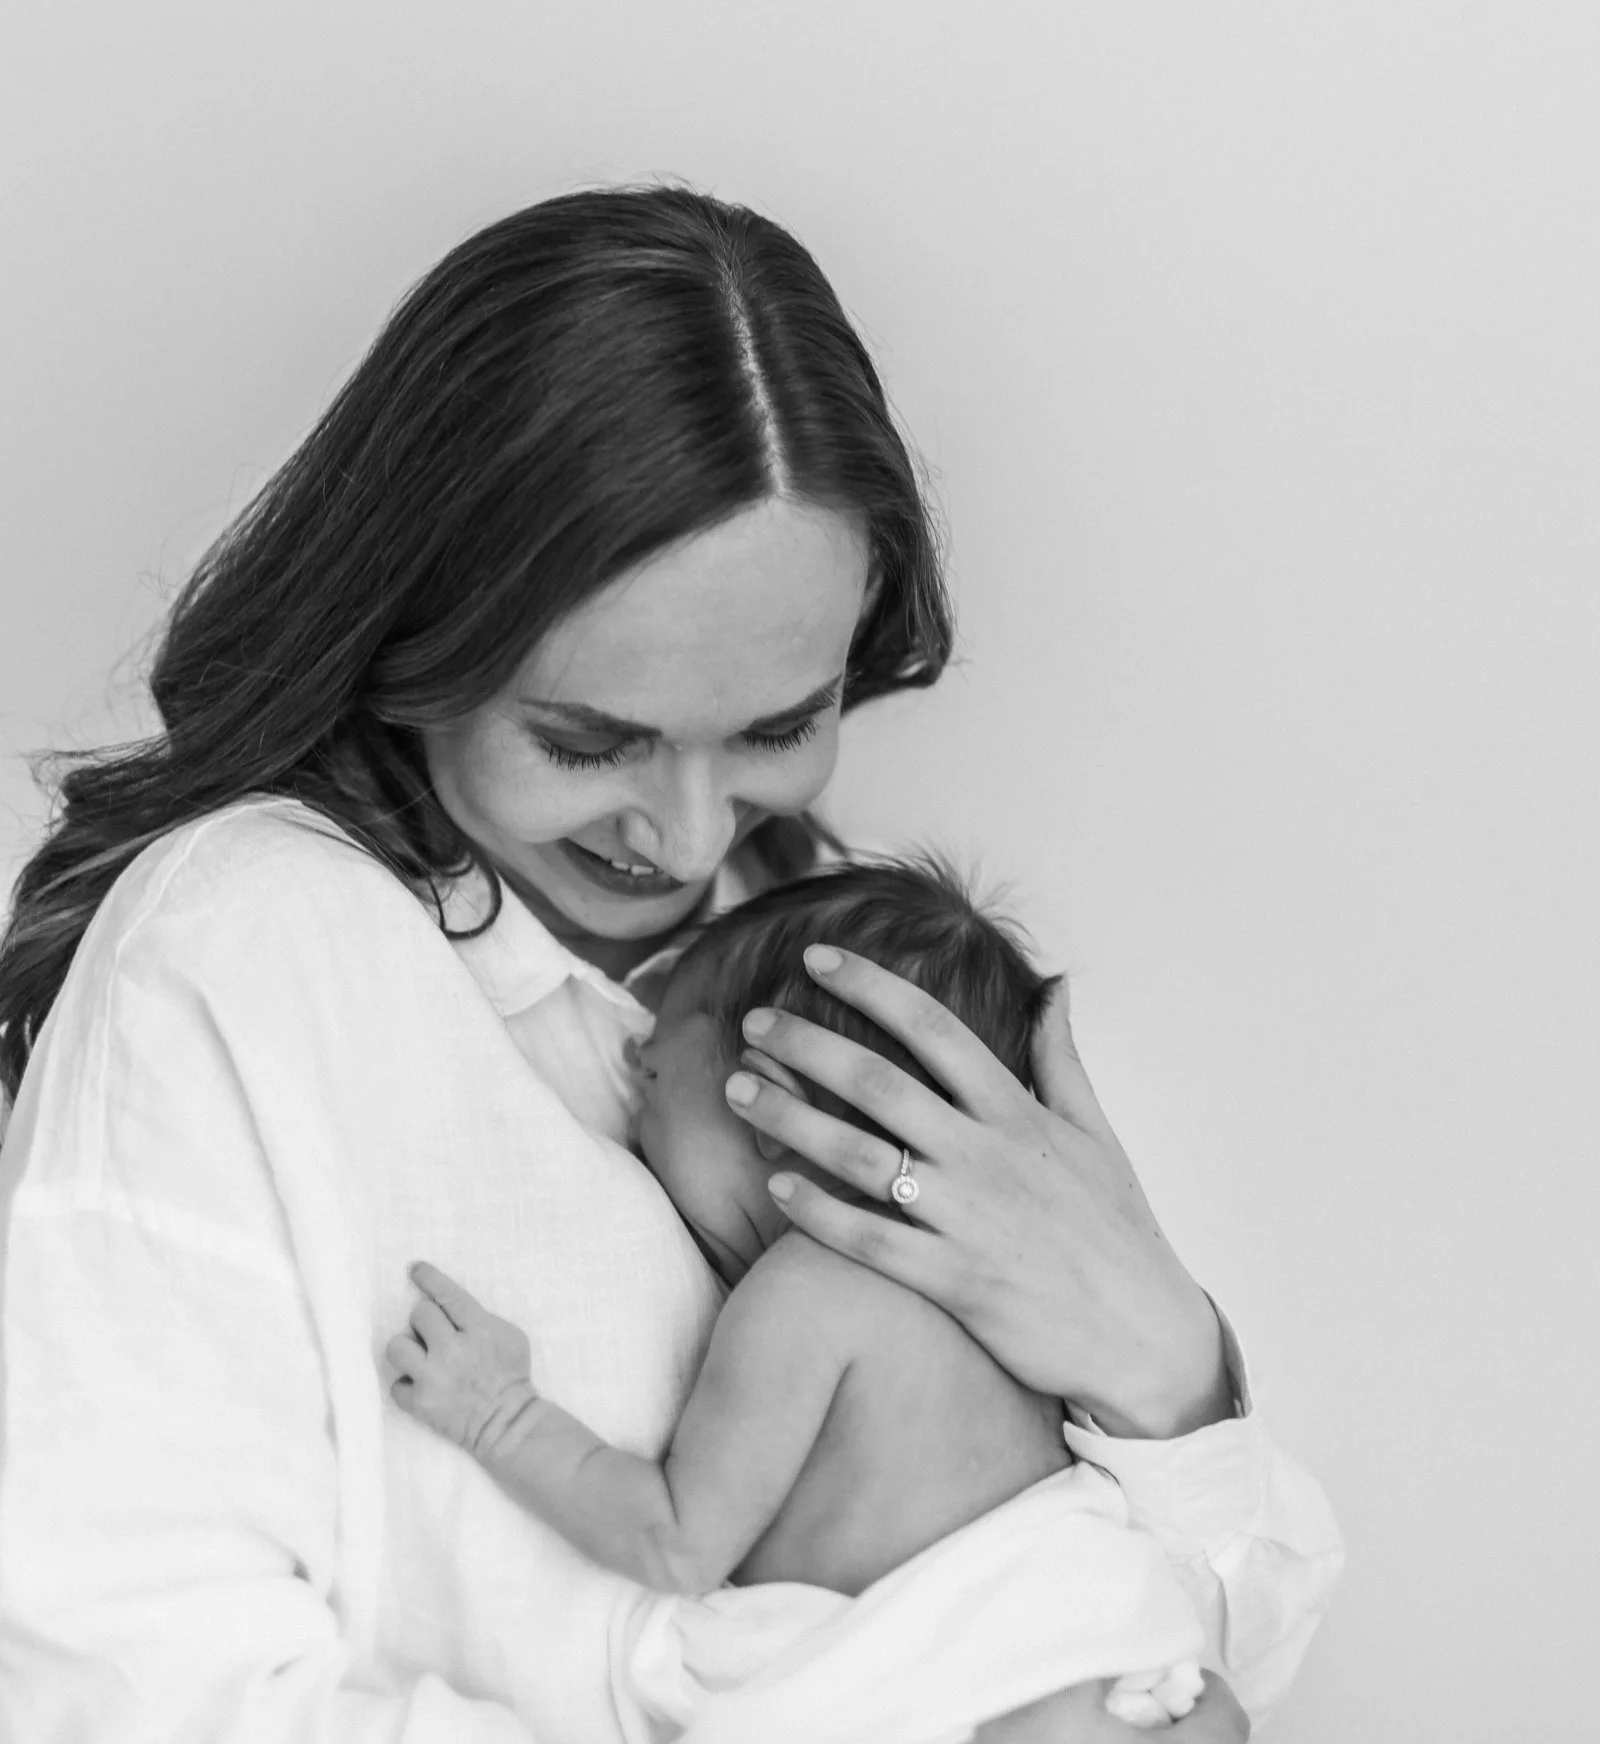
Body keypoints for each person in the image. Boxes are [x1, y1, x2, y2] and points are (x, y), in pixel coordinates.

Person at [0, 186, 1342, 1743]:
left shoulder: (835, 969)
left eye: (777, 728)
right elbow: (116, 1685)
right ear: (406, 639)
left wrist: (1162, 1368)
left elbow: (1209, 1649)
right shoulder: (246, 951)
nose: (693, 836)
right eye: (588, 739)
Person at [386, 856, 1215, 1739]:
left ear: (768, 1104)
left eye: (654, 1070)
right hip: (1128, 1665)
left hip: (989, 1696)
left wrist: (499, 1416)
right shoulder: (999, 1296)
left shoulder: (808, 1294)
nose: (632, 1058)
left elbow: (677, 1542)